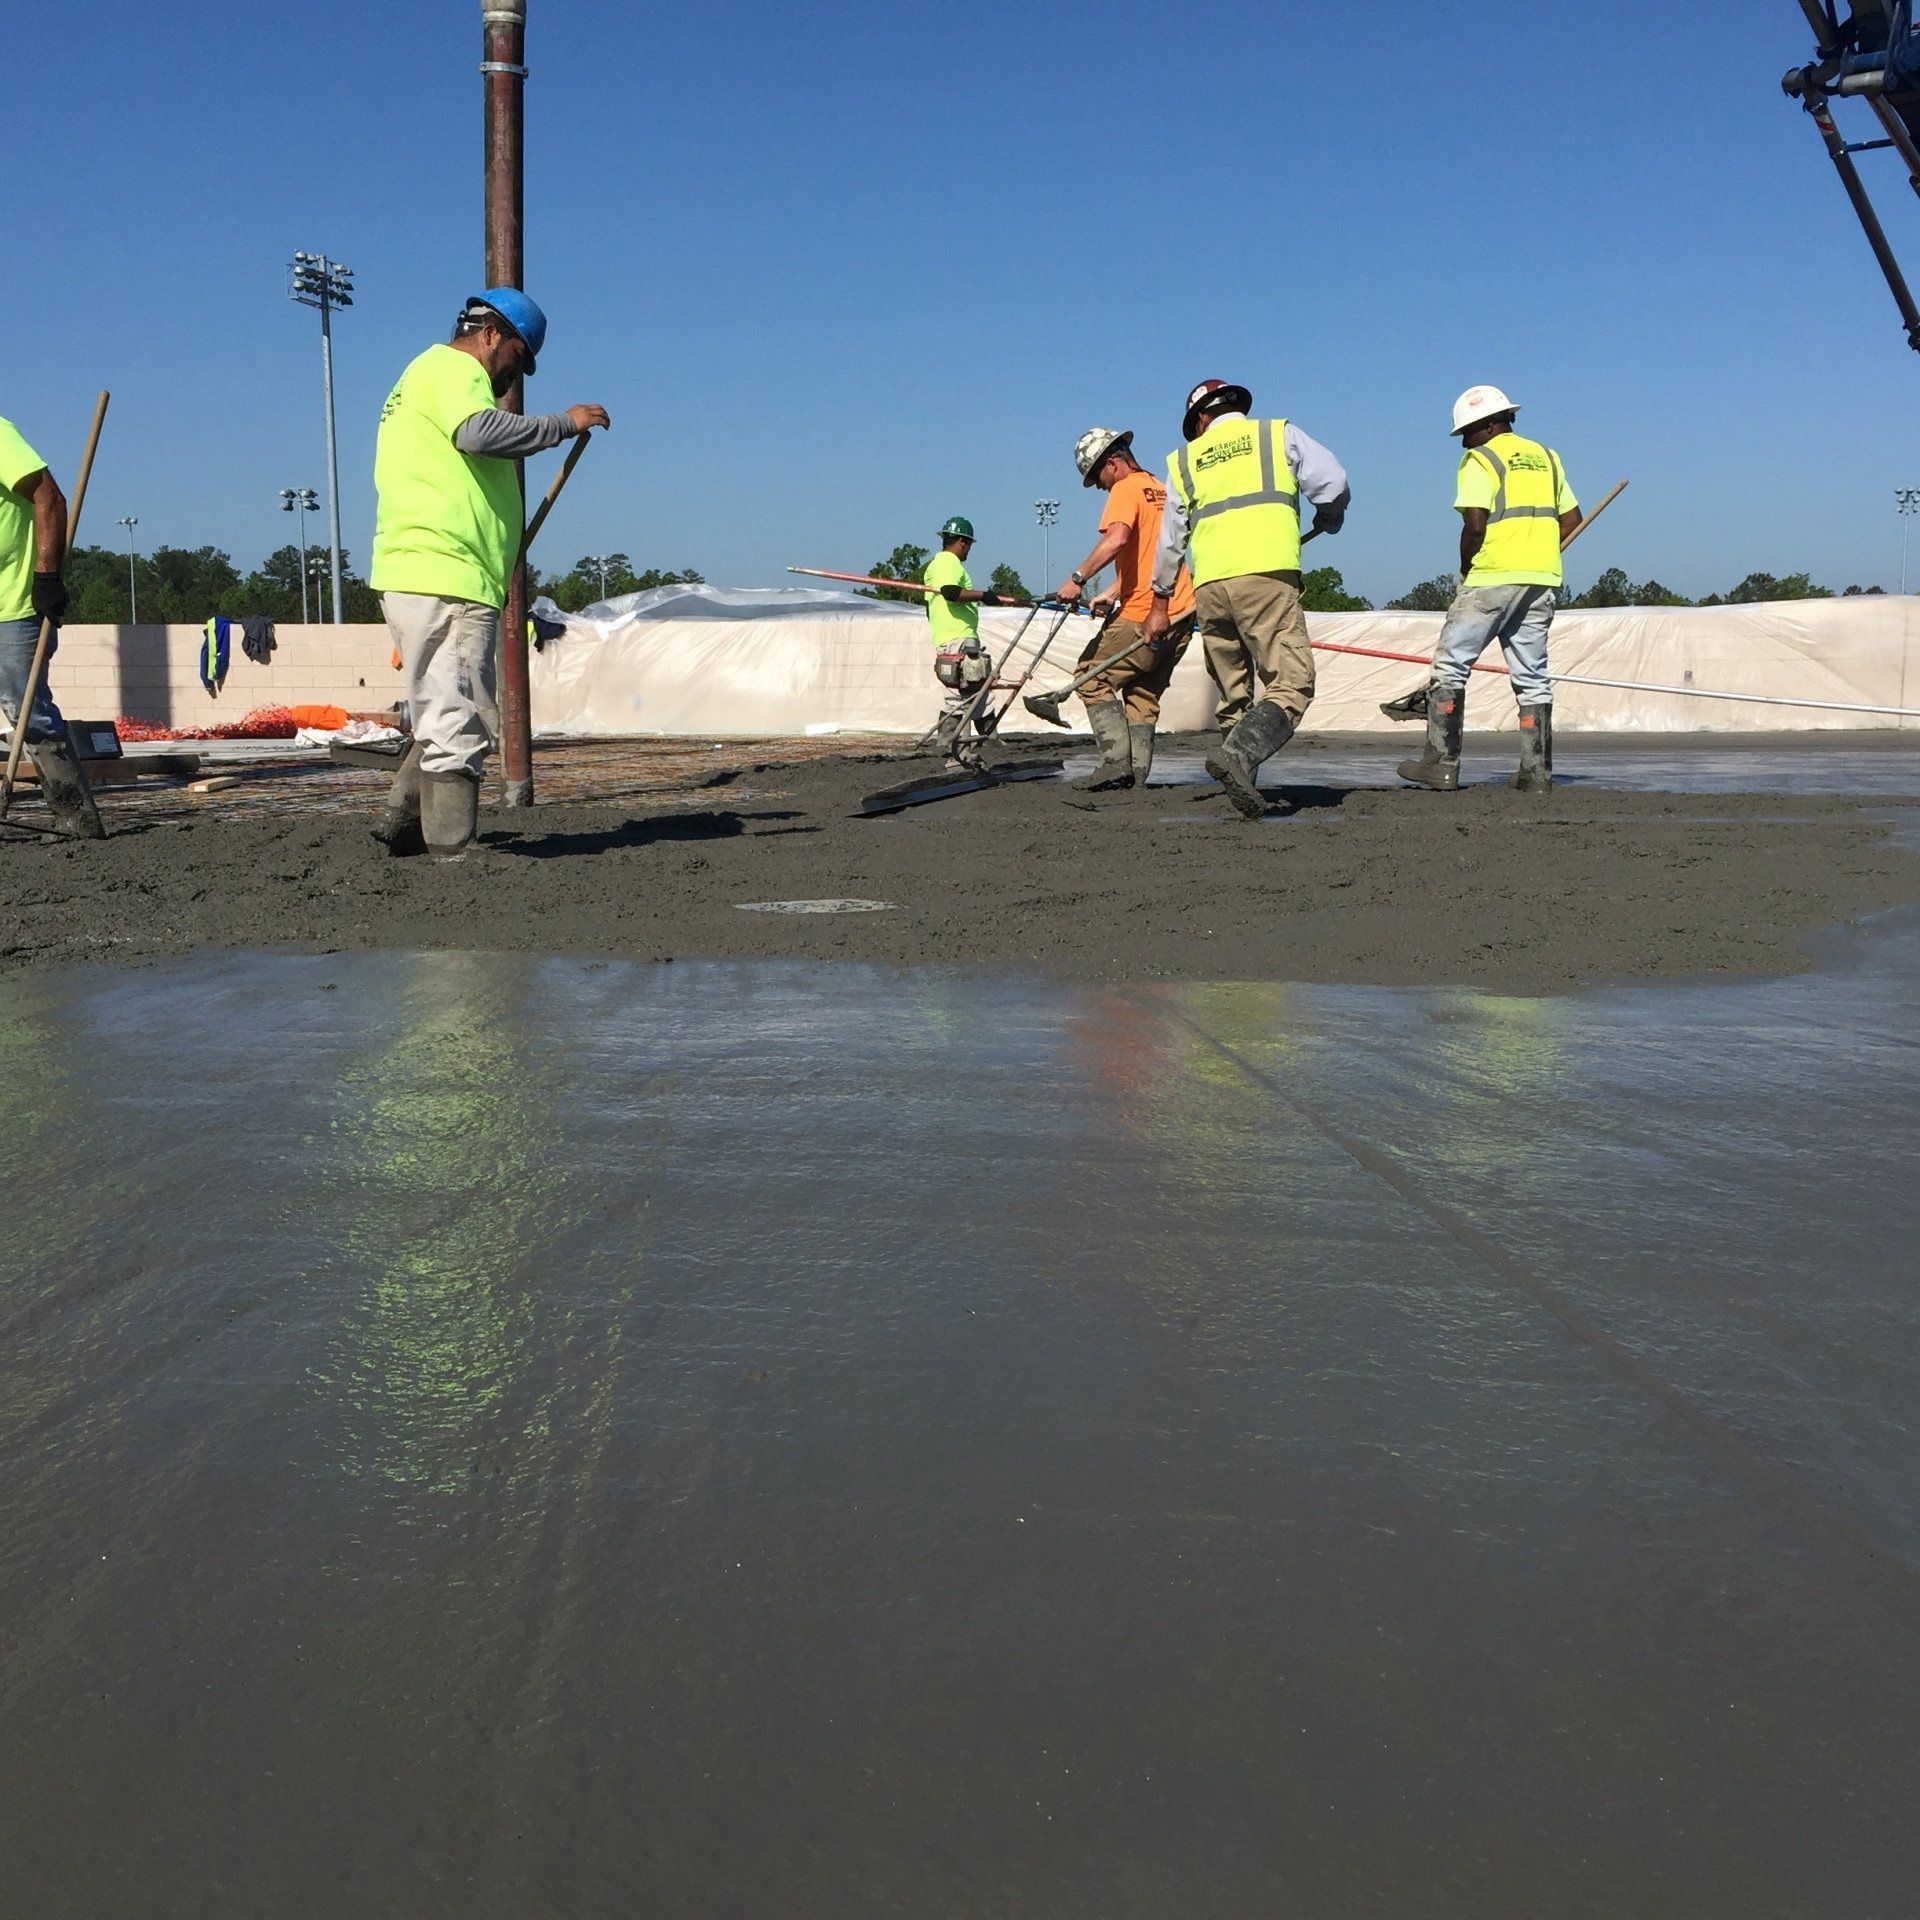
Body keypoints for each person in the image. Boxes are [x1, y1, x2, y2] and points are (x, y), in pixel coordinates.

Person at [368, 289, 609, 859]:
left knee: (443, 697)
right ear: (492, 334)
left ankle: (402, 818)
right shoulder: (453, 368)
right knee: (459, 707)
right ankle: (451, 846)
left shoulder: (421, 376)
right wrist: (561, 424)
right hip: (446, 571)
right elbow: (477, 434)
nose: (514, 376)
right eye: (517, 360)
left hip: (427, 567)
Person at [1144, 379, 1351, 818]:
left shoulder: (1184, 459)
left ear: (1200, 418)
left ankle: (1239, 779)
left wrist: (1160, 602)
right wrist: (1329, 515)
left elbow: (1169, 541)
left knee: (1233, 694)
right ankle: (1237, 757)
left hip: (1211, 589)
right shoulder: (1277, 434)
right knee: (1291, 683)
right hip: (1266, 578)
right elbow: (1333, 482)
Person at [1398, 385, 1579, 794]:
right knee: (1533, 677)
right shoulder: (1548, 458)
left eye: (1467, 431)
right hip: (1541, 579)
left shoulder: (1480, 459)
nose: (1463, 440)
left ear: (1488, 425)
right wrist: (1538, 552)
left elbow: (1475, 524)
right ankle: (1536, 774)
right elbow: (1572, 519)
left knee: (1450, 665)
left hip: (1492, 577)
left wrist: (1466, 568)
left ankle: (1441, 764)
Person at [1052, 427, 1197, 789]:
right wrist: (1115, 590)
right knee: (1143, 693)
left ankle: (1115, 762)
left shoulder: (1124, 488)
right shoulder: (1161, 490)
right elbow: (1153, 554)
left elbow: (1117, 539)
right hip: (1181, 609)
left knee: (1091, 677)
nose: (1098, 486)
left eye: (1096, 476)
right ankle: (1137, 776)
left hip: (1146, 610)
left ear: (1112, 463)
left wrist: (1078, 578)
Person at [0, 414, 102, 837]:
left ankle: (76, 816)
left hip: (14, 603)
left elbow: (50, 498)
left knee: (26, 708)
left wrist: (46, 577)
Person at [922, 516, 1017, 767]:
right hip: (957, 636)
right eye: (969, 545)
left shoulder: (936, 565)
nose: (969, 551)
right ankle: (957, 754)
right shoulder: (947, 561)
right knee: (964, 692)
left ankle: (972, 740)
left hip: (951, 635)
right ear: (962, 542)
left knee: (974, 689)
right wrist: (984, 595)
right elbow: (951, 593)